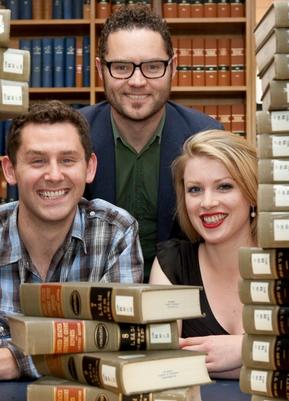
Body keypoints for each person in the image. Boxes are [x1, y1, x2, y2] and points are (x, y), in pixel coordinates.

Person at [0, 101, 144, 382]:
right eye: (37, 161)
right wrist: (77, 345)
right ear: (9, 170)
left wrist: (14, 362)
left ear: (89, 167)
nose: (54, 175)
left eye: (67, 160)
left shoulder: (116, 233)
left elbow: (120, 340)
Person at [81, 5, 222, 279]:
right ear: (101, 69)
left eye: (152, 67)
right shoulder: (74, 135)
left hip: (181, 298)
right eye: (121, 67)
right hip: (93, 300)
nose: (137, 81)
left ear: (173, 67)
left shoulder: (206, 136)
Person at [149, 130, 257, 379]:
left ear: (251, 193)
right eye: (195, 190)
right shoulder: (171, 265)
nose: (207, 203)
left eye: (224, 187)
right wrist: (269, 354)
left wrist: (244, 349)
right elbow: (163, 364)